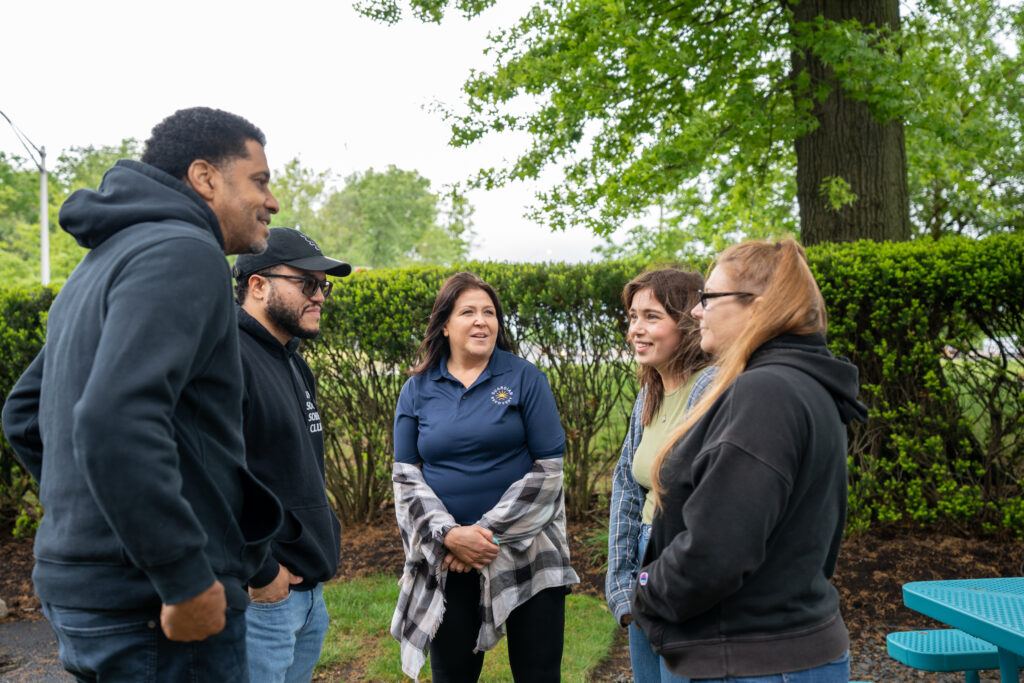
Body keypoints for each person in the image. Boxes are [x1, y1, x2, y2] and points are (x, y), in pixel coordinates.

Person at [1, 107, 285, 682]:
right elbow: (113, 420)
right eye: (259, 180)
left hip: (89, 595)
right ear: (205, 177)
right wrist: (181, 573)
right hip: (155, 608)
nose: (272, 200)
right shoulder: (184, 252)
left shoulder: (100, 263)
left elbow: (24, 417)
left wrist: (96, 527)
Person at [630, 239, 868, 682]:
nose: (697, 312)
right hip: (780, 651)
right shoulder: (797, 383)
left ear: (759, 307)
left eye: (709, 298)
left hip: (754, 660)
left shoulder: (767, 393)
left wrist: (646, 588)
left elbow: (716, 551)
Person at [390, 272, 579, 682]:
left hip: (527, 552)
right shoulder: (418, 388)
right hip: (450, 562)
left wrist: (481, 537)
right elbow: (406, 478)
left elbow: (548, 470)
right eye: (468, 312)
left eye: (489, 312)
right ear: (444, 324)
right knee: (452, 673)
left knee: (539, 672)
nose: (481, 321)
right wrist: (449, 538)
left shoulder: (525, 378)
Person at [232, 227, 350, 682]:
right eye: (307, 283)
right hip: (261, 600)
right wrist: (261, 571)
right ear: (258, 284)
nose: (320, 295)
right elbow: (208, 476)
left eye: (323, 285)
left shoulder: (293, 361)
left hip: (306, 596)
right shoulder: (229, 359)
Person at [605, 269, 716, 682]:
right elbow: (626, 487)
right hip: (644, 569)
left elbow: (709, 498)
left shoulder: (712, 389)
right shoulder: (648, 394)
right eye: (633, 317)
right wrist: (621, 585)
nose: (636, 329)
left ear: (687, 322)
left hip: (684, 572)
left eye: (651, 317)